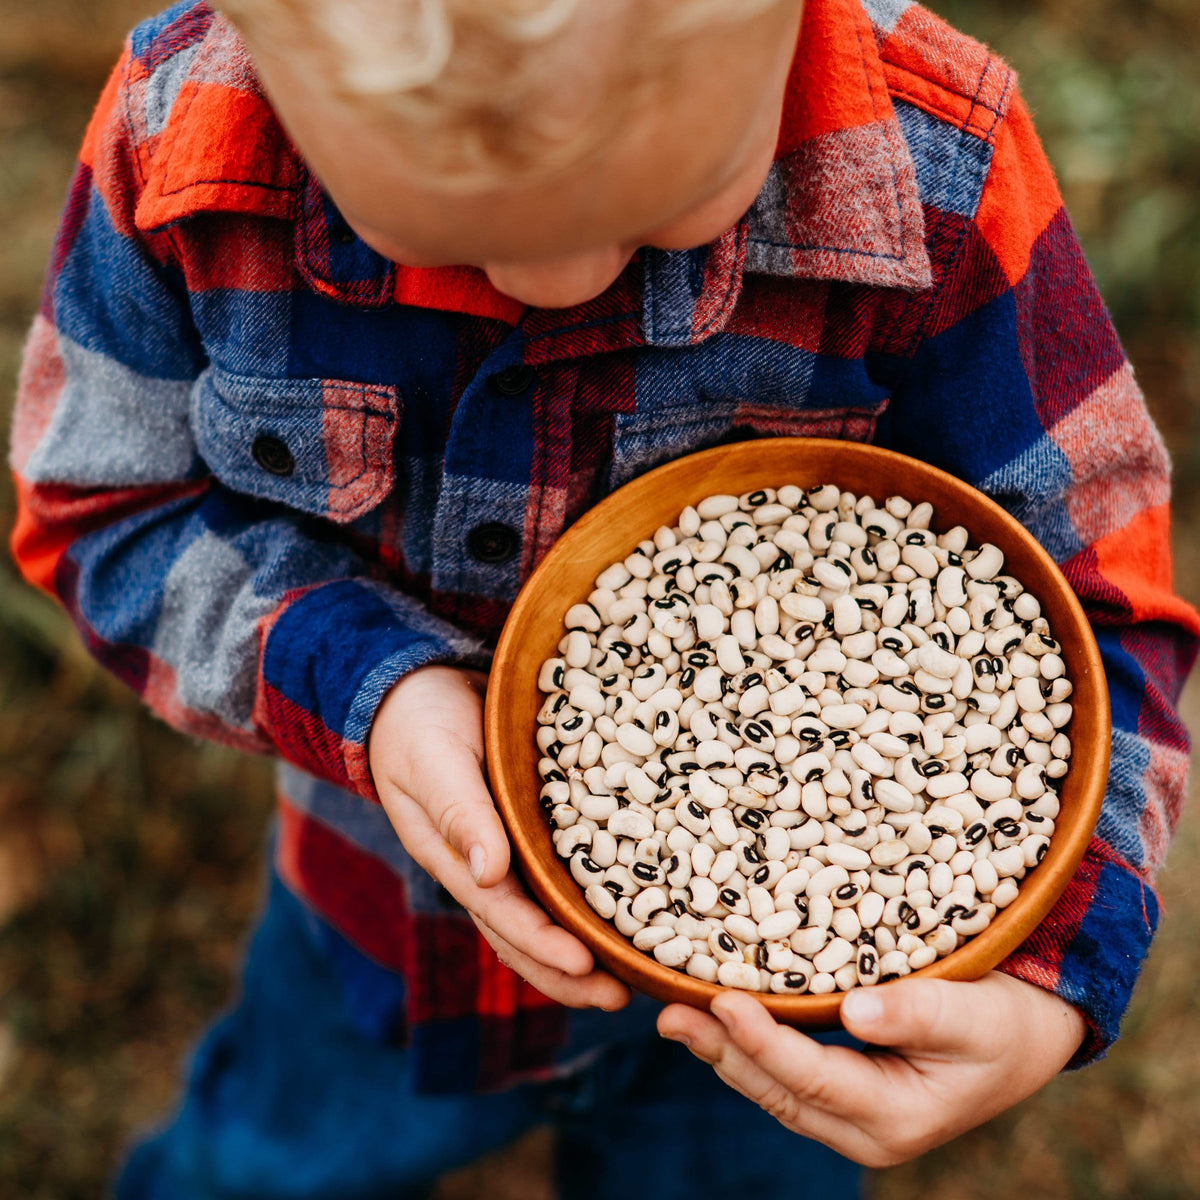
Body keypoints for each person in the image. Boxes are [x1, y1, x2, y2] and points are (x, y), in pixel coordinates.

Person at [9, 0, 1198, 1193]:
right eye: (443, 232)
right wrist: (374, 685)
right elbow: (104, 509)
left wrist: (1051, 983)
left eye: (666, 206)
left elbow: (1104, 609)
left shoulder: (941, 167)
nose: (558, 276)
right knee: (266, 1163)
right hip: (376, 921)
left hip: (794, 1019)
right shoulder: (182, 147)